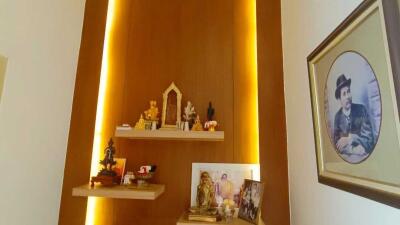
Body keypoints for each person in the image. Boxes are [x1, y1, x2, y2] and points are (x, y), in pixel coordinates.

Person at [333, 74, 374, 157]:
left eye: (348, 91)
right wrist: (353, 150)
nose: (348, 96)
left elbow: (369, 141)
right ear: (339, 99)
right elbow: (337, 145)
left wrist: (351, 138)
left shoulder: (361, 110)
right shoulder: (337, 117)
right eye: (344, 94)